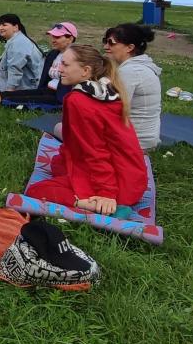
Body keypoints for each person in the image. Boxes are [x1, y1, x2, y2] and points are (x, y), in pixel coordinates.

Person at [25, 44, 148, 216]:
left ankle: (94, 205)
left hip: (117, 187)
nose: (59, 69)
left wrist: (107, 194)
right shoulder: (107, 90)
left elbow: (95, 151)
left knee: (37, 191)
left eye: (66, 65)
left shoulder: (78, 100)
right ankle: (99, 198)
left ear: (85, 71)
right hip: (133, 178)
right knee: (58, 164)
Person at [103, 24, 162, 151]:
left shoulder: (131, 71)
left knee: (62, 128)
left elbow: (113, 108)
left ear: (130, 47)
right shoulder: (139, 66)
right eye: (105, 41)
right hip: (144, 138)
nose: (105, 47)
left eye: (111, 43)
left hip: (134, 142)